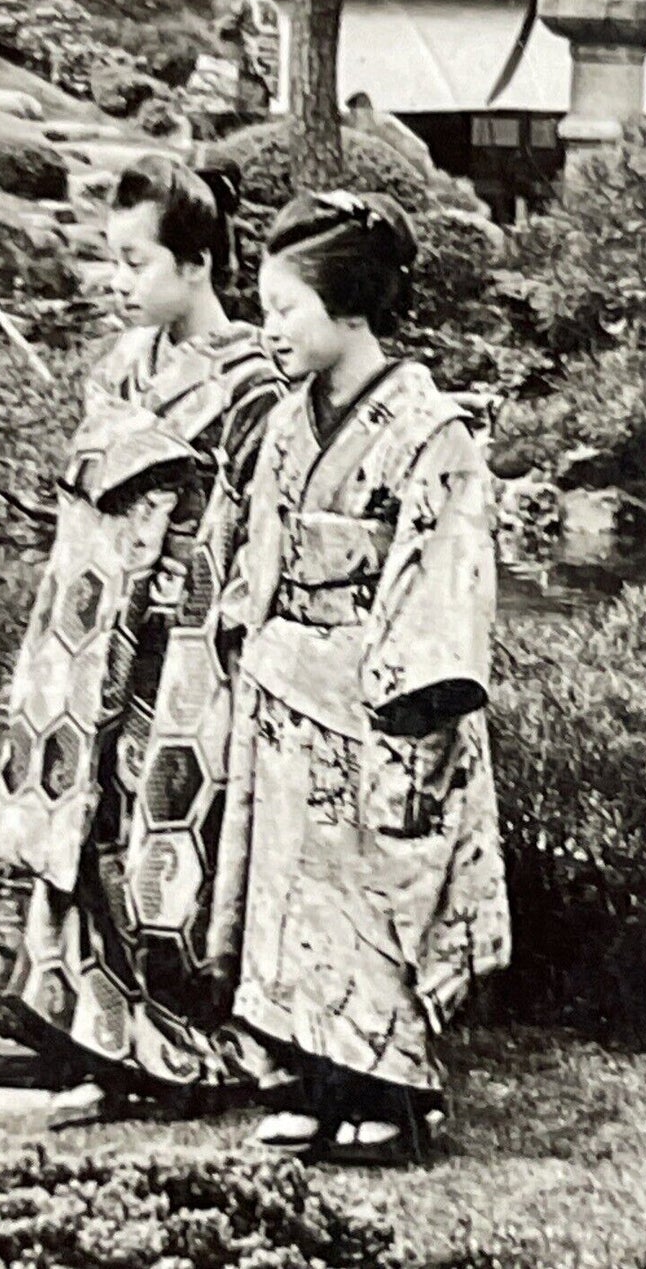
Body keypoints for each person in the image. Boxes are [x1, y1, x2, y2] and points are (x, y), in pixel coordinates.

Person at [209, 189, 510, 1166]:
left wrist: (403, 705)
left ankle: (392, 1091)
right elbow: (248, 550)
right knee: (284, 891)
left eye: (282, 309)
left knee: (375, 888)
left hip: (382, 699)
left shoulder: (432, 433)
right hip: (283, 682)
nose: (268, 330)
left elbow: (441, 580)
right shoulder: (285, 424)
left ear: (349, 308)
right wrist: (244, 642)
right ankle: (301, 1079)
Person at [0, 154, 285, 1126]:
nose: (121, 283)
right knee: (85, 825)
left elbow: (256, 525)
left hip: (191, 637)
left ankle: (186, 1048)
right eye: (112, 262)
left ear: (196, 263)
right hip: (95, 632)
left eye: (136, 263)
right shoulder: (120, 364)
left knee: (170, 831)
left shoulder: (255, 381)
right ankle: (92, 1035)